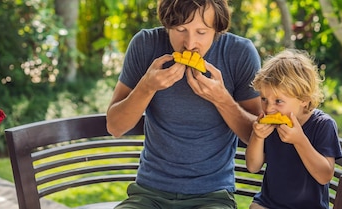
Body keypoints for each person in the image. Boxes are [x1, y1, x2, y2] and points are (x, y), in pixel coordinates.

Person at [105, 0, 262, 208]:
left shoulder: (239, 53)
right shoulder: (145, 44)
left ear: (216, 29)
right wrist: (146, 87)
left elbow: (257, 135)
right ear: (167, 24)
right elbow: (115, 127)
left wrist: (222, 99)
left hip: (212, 195)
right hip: (148, 193)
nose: (190, 43)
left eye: (202, 32)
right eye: (180, 29)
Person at [246, 49, 342, 209]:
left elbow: (325, 176)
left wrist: (300, 141)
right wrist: (257, 137)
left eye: (278, 101)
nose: (269, 108)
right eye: (264, 98)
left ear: (304, 100)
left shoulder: (322, 125)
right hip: (269, 204)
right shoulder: (269, 124)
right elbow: (252, 166)